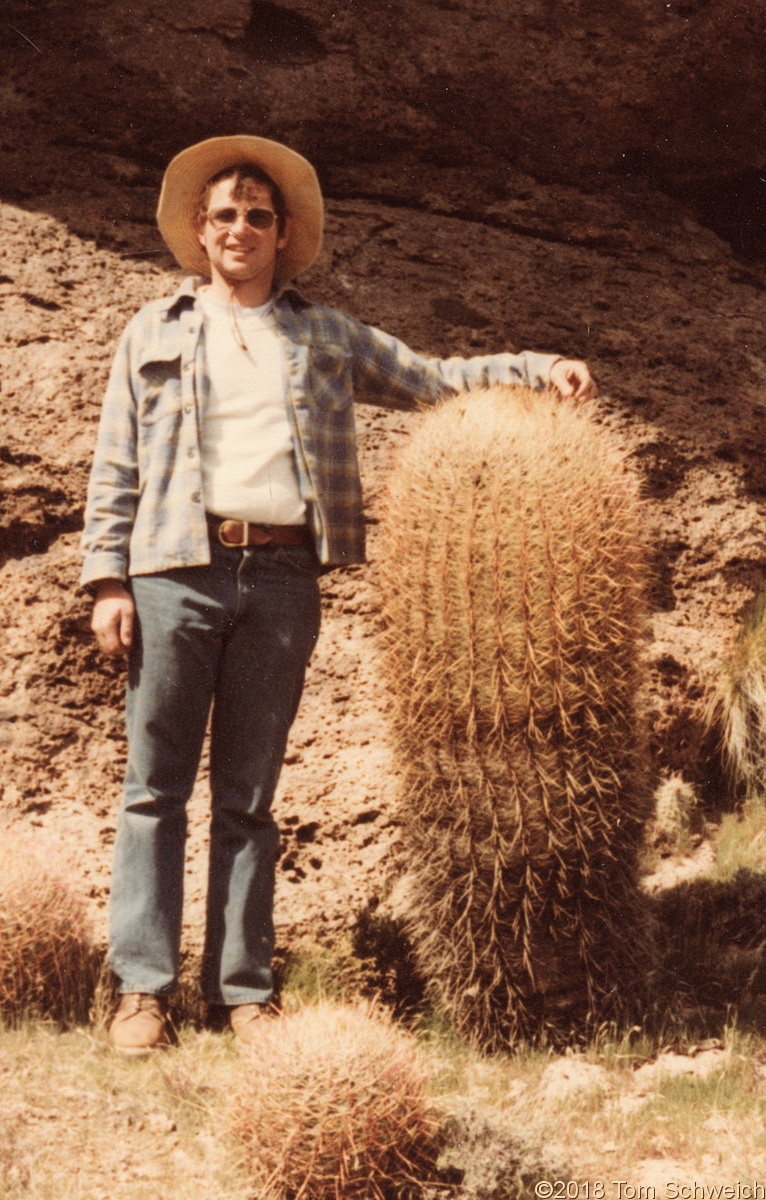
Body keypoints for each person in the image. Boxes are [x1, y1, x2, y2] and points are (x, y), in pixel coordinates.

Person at [80, 134, 596, 1055]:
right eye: (225, 215)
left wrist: (534, 365)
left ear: (283, 237)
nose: (241, 228)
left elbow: (431, 378)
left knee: (249, 796)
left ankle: (241, 992)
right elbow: (114, 463)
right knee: (154, 789)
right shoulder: (151, 333)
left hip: (280, 579)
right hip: (172, 574)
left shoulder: (322, 333)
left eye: (258, 217)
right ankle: (142, 992)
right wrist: (108, 579)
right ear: (201, 233)